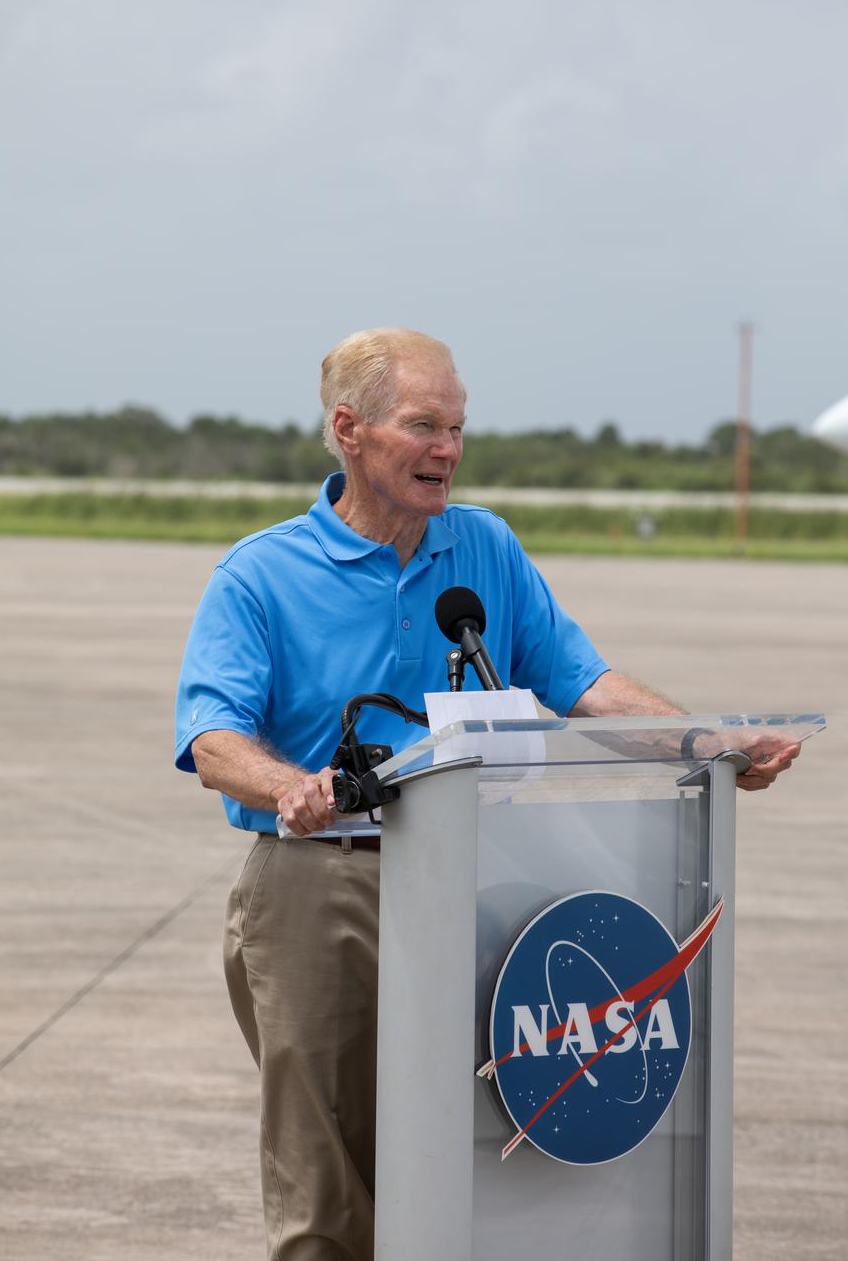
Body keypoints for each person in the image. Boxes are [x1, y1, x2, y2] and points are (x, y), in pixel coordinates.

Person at [174, 328, 798, 1260]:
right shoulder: (260, 573)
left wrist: (705, 740)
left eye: (458, 427)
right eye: (424, 426)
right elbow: (211, 738)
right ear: (349, 430)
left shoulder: (486, 549)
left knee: (472, 1153)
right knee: (329, 1181)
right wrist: (293, 788)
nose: (449, 451)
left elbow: (583, 684)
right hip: (321, 886)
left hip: (483, 882)